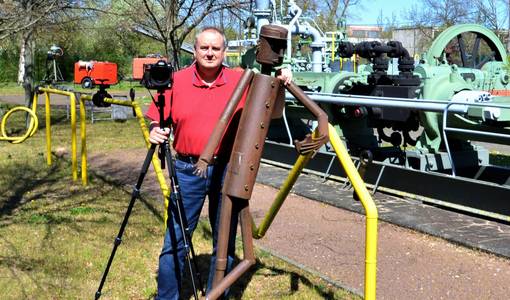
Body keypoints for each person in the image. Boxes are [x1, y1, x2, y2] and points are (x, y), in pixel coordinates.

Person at [146, 26, 292, 299]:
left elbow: (274, 113)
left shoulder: (242, 81)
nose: (210, 53)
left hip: (227, 169)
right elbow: (157, 117)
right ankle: (167, 296)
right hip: (188, 170)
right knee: (176, 239)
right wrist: (155, 128)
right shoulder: (176, 80)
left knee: (224, 242)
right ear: (195, 50)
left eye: (216, 48)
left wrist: (281, 86)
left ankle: (217, 294)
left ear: (224, 52)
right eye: (204, 47)